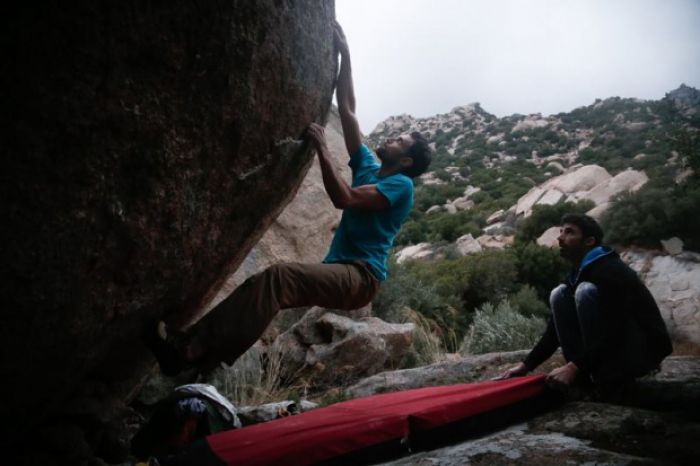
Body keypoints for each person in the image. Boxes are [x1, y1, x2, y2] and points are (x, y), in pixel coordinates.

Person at [146, 21, 432, 376]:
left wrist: (323, 150)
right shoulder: (370, 167)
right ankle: (200, 359)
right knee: (268, 288)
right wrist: (346, 56)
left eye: (399, 142)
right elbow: (349, 109)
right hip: (341, 270)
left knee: (279, 279)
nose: (390, 139)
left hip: (361, 278)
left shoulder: (401, 185)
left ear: (405, 161)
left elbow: (342, 198)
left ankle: (192, 350)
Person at [499, 214, 672, 394]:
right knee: (558, 294)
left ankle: (608, 378)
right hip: (615, 350)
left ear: (589, 241)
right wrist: (526, 365)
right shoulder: (581, 272)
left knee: (585, 291)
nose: (560, 237)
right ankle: (583, 380)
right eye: (561, 231)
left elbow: (617, 330)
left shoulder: (609, 270)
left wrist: (574, 366)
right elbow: (554, 331)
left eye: (569, 232)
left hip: (642, 352)